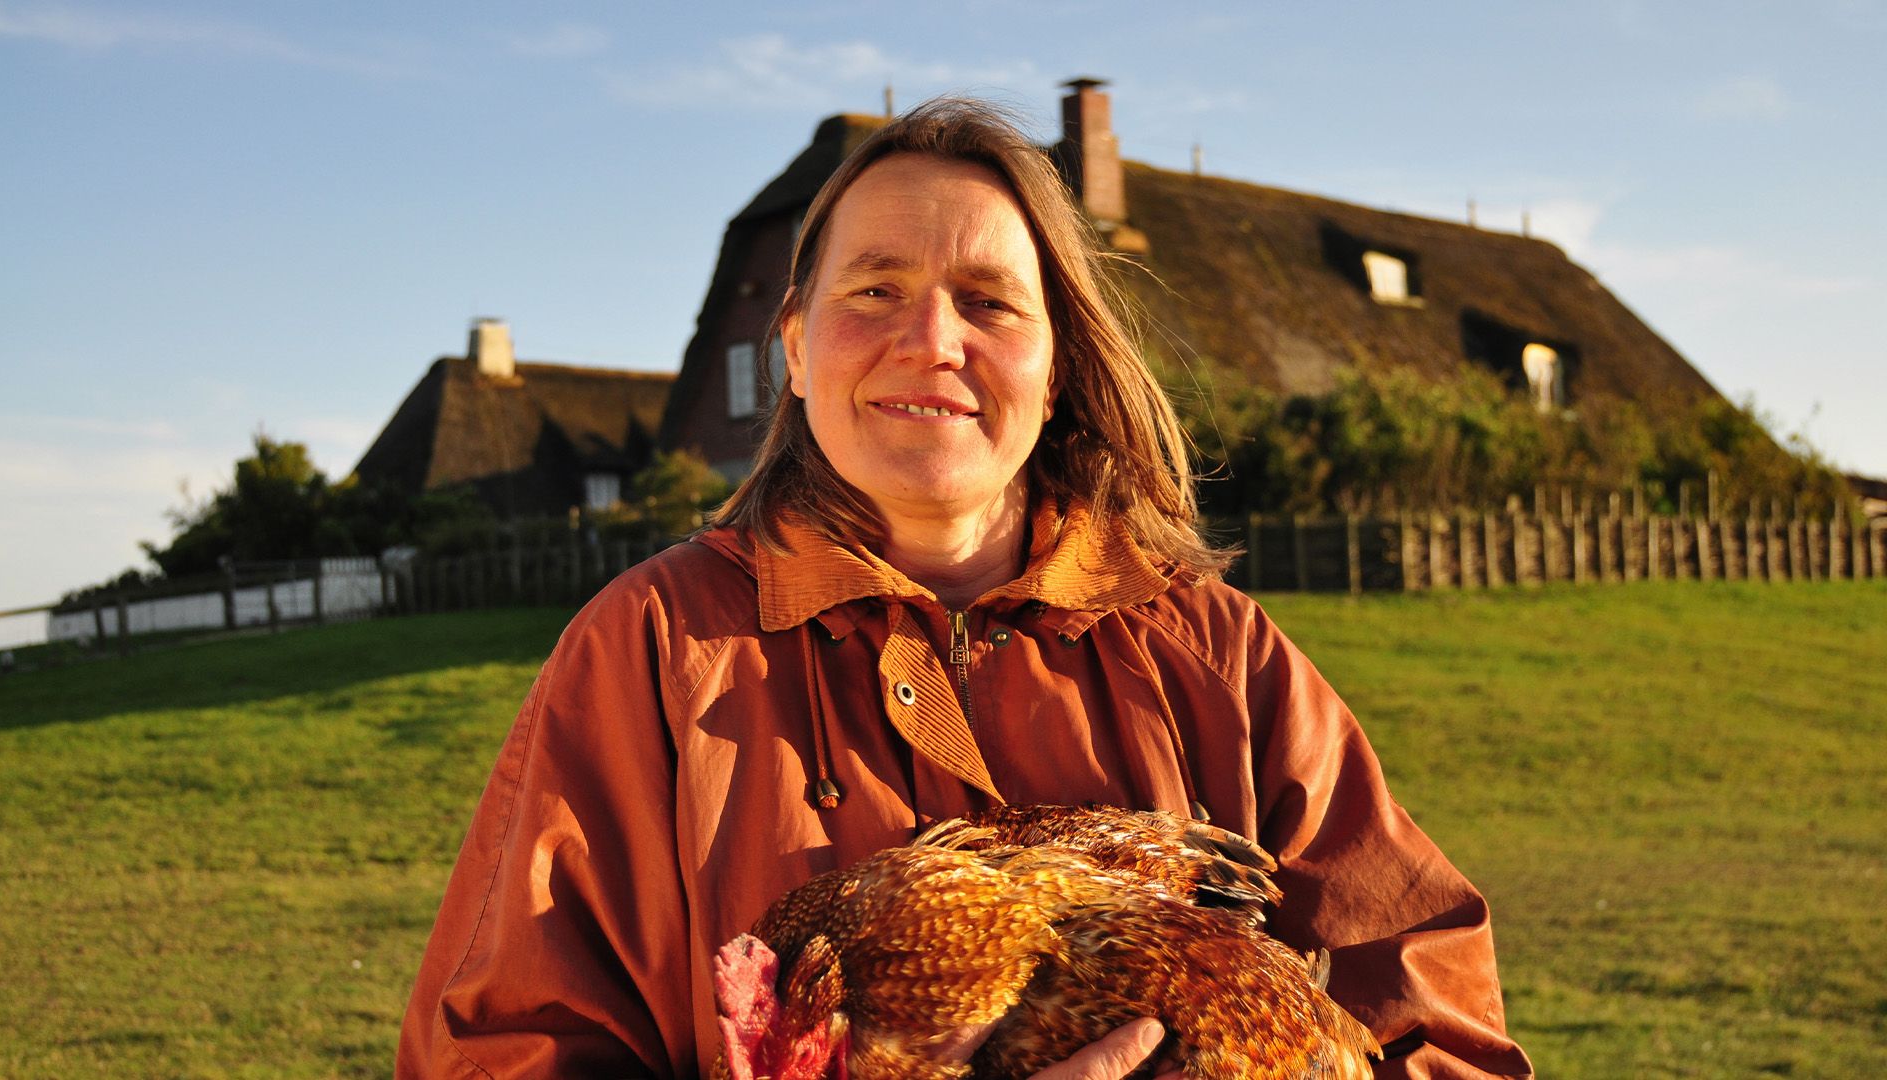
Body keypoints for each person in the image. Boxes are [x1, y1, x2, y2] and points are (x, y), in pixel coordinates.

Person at [397, 99, 1533, 1080]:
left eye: (989, 301)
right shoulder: (649, 652)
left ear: (1058, 366)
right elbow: (497, 1049)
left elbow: (1436, 1003)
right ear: (795, 349)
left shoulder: (1213, 652)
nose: (931, 340)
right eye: (875, 290)